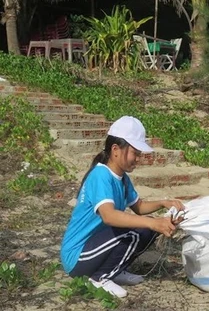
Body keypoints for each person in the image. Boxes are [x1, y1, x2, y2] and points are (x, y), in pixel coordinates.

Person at [60, 116, 185, 298]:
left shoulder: (123, 179)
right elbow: (109, 216)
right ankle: (100, 278)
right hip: (78, 256)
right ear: (116, 150)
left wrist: (163, 203)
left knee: (146, 229)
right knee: (139, 229)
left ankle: (114, 270)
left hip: (96, 247)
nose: (138, 159)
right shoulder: (101, 175)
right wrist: (152, 223)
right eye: (135, 153)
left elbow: (139, 207)